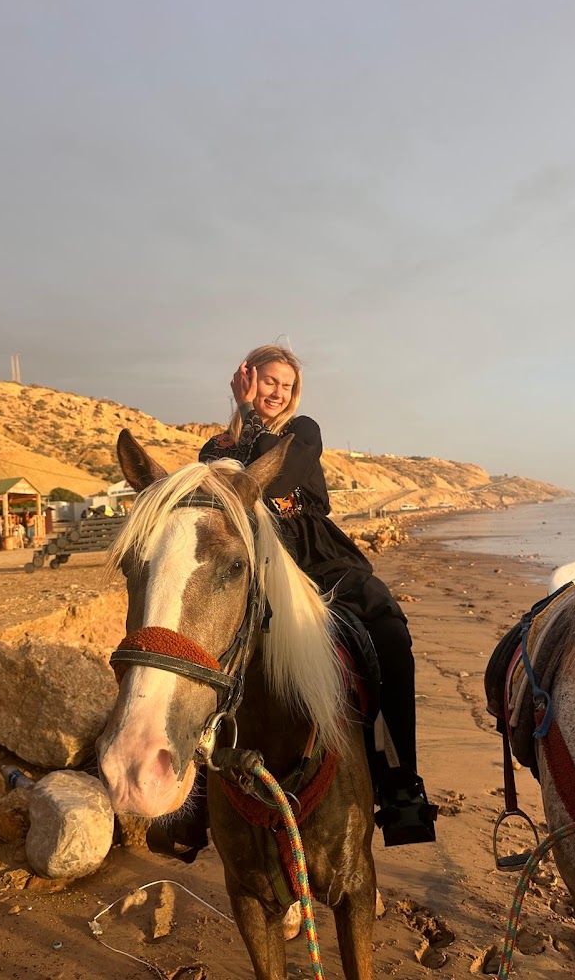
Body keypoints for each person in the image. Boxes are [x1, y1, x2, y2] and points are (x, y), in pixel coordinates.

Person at [199, 344, 437, 846]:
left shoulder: (302, 431)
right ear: (245, 380)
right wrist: (243, 418)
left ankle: (399, 784)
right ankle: (196, 791)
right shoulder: (215, 449)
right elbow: (240, 492)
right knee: (199, 638)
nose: (277, 393)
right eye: (268, 382)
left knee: (389, 629)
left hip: (316, 556)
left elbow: (274, 477)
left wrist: (250, 417)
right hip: (252, 560)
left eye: (286, 386)